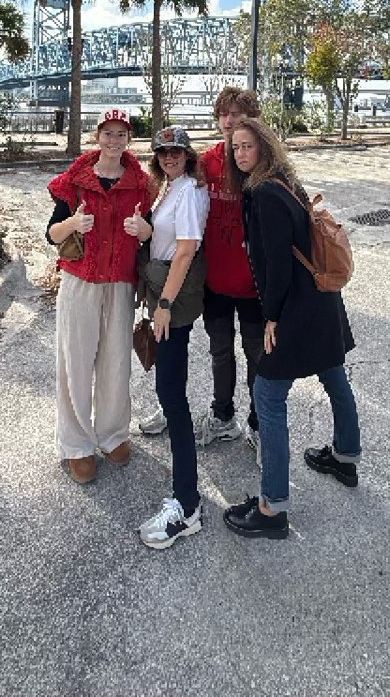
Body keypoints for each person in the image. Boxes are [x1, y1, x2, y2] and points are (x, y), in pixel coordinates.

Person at [222, 117, 361, 542]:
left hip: (297, 308)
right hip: (321, 300)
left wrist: (272, 316)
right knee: (335, 376)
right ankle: (344, 456)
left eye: (247, 146)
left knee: (268, 395)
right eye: (236, 148)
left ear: (264, 148)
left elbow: (277, 263)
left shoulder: (264, 193)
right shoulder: (286, 182)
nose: (241, 154)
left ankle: (272, 507)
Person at [139, 87, 264, 452]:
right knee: (220, 351)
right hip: (217, 280)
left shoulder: (260, 164)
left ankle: (258, 423)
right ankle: (223, 416)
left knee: (257, 354)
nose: (230, 121)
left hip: (255, 282)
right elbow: (171, 180)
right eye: (224, 114)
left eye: (238, 114)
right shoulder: (206, 165)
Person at [46, 108, 152, 484]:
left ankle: (112, 435)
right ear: (98, 136)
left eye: (120, 134)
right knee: (75, 363)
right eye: (107, 133)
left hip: (121, 284)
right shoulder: (74, 182)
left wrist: (144, 230)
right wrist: (73, 223)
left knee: (115, 363)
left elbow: (151, 237)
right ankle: (77, 444)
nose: (113, 140)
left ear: (128, 139)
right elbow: (52, 236)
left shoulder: (141, 184)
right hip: (80, 283)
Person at [124, 126, 210, 550]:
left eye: (176, 151)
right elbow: (166, 239)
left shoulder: (191, 191)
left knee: (172, 396)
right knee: (170, 391)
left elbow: (187, 249)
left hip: (172, 302)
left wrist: (165, 304)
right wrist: (145, 231)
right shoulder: (171, 186)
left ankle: (187, 504)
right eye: (163, 153)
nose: (169, 157)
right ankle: (186, 495)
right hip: (163, 295)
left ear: (187, 154)